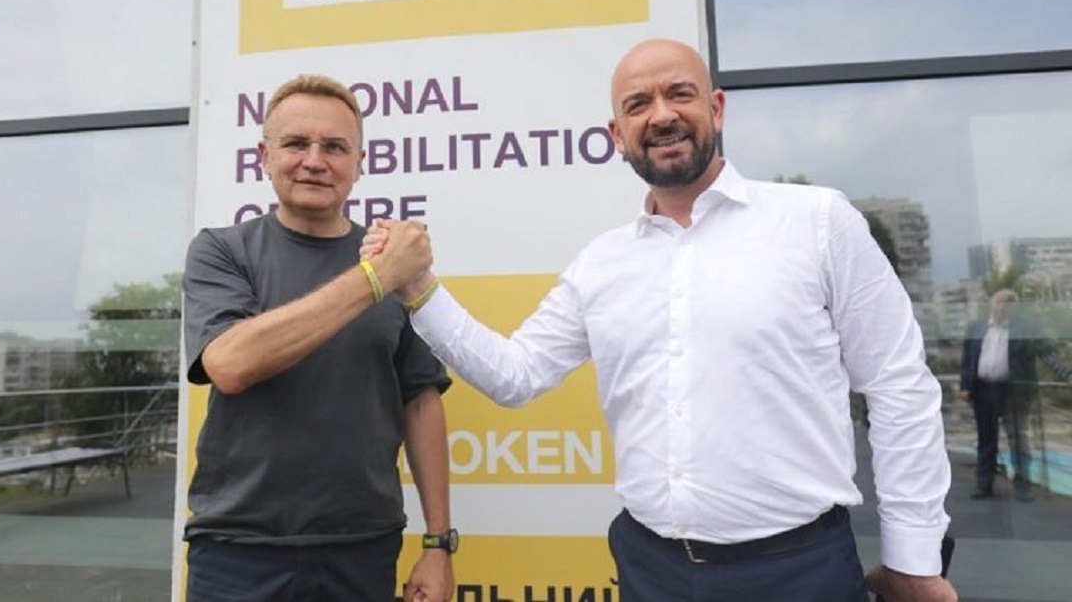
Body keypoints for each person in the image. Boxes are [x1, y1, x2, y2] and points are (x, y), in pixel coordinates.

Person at [365, 39, 957, 601]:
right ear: (617, 135)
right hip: (651, 569)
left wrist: (914, 558)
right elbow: (515, 375)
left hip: (799, 570)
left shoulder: (818, 222)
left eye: (680, 93)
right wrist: (418, 286)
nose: (662, 115)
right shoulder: (602, 263)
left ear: (716, 108)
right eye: (638, 104)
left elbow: (897, 386)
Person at [181, 74, 456, 602]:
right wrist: (377, 277)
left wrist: (438, 543)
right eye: (295, 144)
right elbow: (231, 364)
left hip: (362, 548)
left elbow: (421, 403)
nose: (314, 161)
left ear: (360, 162)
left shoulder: (395, 266)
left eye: (334, 147)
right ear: (264, 156)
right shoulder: (222, 251)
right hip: (238, 550)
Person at [959, 288, 1070, 502]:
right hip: (983, 391)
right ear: (992, 304)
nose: (1003, 307)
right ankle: (984, 485)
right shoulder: (976, 328)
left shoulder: (1026, 329)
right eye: (1000, 302)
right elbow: (967, 359)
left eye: (1009, 304)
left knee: (1018, 440)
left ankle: (1022, 486)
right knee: (986, 440)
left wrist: (1068, 374)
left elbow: (1048, 353)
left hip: (1014, 391)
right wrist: (965, 386)